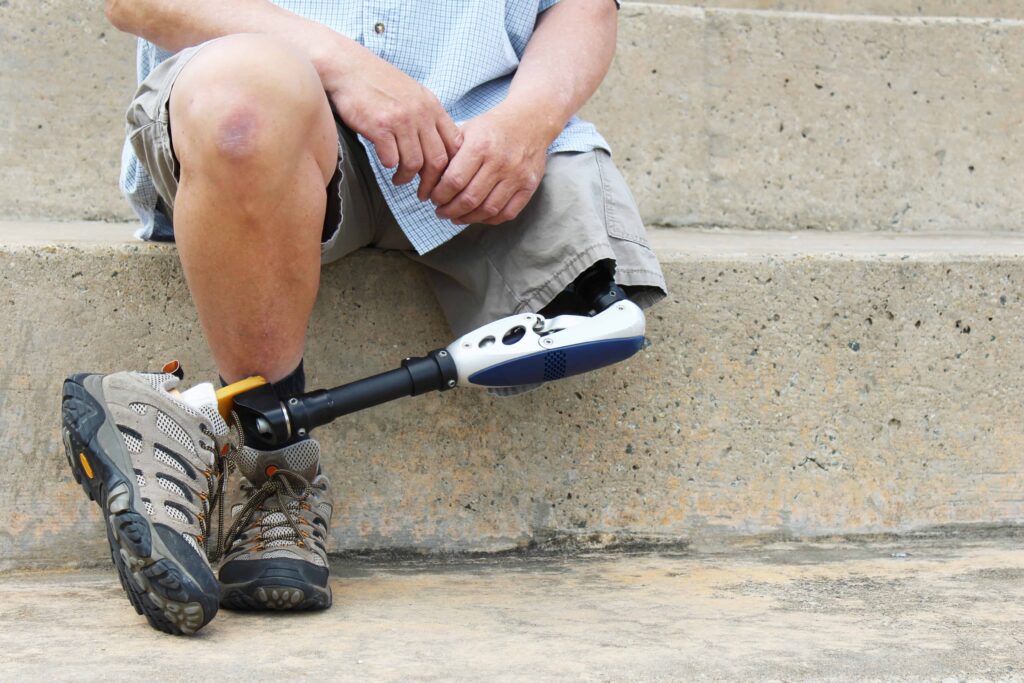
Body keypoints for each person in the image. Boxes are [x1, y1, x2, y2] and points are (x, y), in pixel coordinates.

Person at [62, 0, 667, 635]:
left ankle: (167, 419)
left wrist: (529, 123)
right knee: (241, 107)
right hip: (272, 118)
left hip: (482, 145)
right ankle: (277, 463)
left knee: (598, 314)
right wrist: (347, 67)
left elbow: (581, 7)